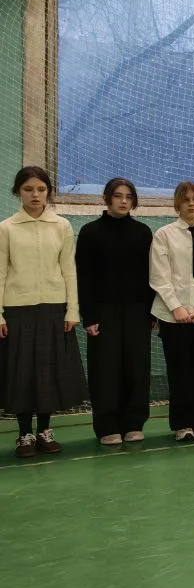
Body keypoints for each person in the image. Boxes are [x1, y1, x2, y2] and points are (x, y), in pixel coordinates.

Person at [0, 166, 87, 458]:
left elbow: (69, 270)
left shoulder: (62, 226)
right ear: (18, 192)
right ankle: (24, 434)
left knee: (48, 372)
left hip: (54, 309)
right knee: (22, 372)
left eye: (41, 189)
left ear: (48, 192)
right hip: (17, 311)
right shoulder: (6, 228)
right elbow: (0, 273)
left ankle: (45, 431)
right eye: (28, 189)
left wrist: (72, 310)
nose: (35, 195)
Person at [76, 178, 153, 446]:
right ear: (107, 198)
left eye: (129, 197)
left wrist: (151, 312)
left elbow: (150, 275)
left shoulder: (143, 232)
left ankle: (133, 423)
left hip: (138, 311)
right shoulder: (90, 232)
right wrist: (89, 315)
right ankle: (107, 425)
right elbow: (83, 277)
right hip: (103, 312)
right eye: (118, 196)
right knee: (105, 369)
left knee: (137, 368)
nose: (123, 201)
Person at [150, 181, 194, 442]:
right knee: (179, 370)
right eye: (186, 199)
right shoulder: (164, 235)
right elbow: (159, 276)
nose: (191, 204)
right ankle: (183, 424)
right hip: (173, 317)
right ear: (177, 204)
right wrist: (176, 307)